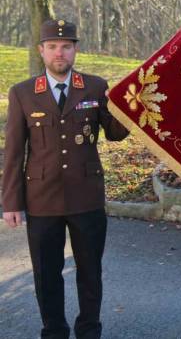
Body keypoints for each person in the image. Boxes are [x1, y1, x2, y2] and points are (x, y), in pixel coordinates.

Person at [2, 19, 130, 339]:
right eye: (53, 47)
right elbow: (14, 153)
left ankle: (89, 331)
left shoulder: (96, 87)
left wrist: (132, 106)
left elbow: (114, 134)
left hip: (86, 196)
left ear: (75, 50)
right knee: (47, 275)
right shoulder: (23, 93)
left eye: (67, 46)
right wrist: (11, 203)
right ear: (41, 51)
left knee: (89, 272)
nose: (60, 53)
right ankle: (54, 331)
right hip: (41, 198)